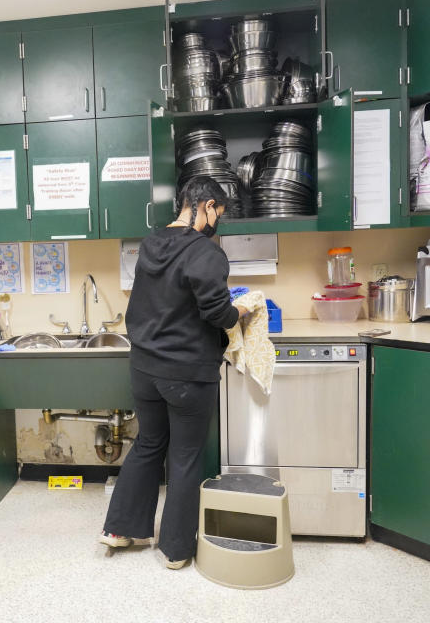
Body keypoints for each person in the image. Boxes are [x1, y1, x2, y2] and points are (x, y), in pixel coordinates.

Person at [100, 175, 247, 569]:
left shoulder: (151, 243)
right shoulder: (206, 252)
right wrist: (242, 311)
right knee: (184, 456)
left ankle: (119, 529)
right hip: (186, 372)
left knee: (148, 443)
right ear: (206, 207)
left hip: (145, 368)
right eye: (218, 212)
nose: (218, 221)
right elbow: (217, 311)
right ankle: (176, 550)